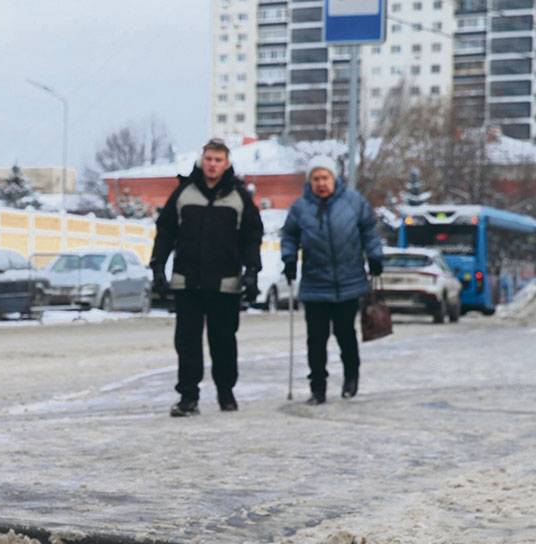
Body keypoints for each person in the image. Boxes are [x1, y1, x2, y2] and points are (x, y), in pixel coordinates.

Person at [150, 139, 263, 416]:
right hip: (187, 282)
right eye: (209, 159)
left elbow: (251, 236)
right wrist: (158, 266)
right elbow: (165, 232)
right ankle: (188, 397)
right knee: (187, 342)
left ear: (226, 163)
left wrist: (252, 272)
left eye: (218, 160)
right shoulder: (184, 192)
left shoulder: (239, 196)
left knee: (223, 341)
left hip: (226, 283)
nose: (212, 165)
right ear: (202, 160)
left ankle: (226, 393)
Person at [280, 155, 383, 405]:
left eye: (325, 177)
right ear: (310, 181)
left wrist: (375, 257)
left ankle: (351, 377)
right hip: (315, 283)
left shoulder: (353, 203)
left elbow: (369, 231)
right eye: (315, 178)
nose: (321, 183)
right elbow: (290, 236)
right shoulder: (300, 207)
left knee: (345, 333)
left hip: (348, 282)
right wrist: (289, 259)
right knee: (316, 339)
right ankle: (318, 388)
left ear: (334, 178)